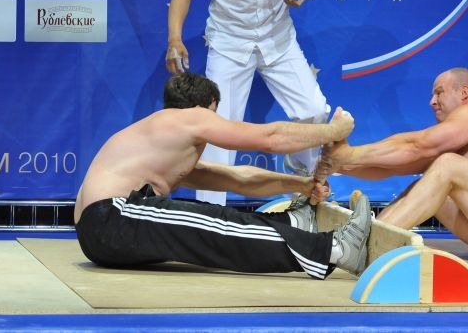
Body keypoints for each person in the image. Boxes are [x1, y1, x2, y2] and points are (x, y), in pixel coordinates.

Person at [74, 72, 371, 279]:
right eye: (214, 113)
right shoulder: (191, 117)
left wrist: (302, 185)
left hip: (99, 234)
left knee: (211, 218)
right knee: (221, 227)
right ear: (204, 107)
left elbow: (236, 179)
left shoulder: (158, 148)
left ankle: (293, 222)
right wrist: (334, 131)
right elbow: (269, 137)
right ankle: (335, 250)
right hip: (111, 218)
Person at [167, 0, 328, 205]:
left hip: (278, 41)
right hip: (230, 45)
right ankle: (210, 216)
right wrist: (175, 38)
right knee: (218, 132)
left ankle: (301, 179)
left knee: (314, 111)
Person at [317, 68, 468, 262]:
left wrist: (350, 154)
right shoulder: (462, 136)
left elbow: (417, 145)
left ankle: (362, 244)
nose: (432, 101)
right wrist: (340, 165)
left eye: (439, 93)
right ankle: (358, 240)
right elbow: (395, 165)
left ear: (463, 93)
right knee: (428, 185)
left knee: (446, 165)